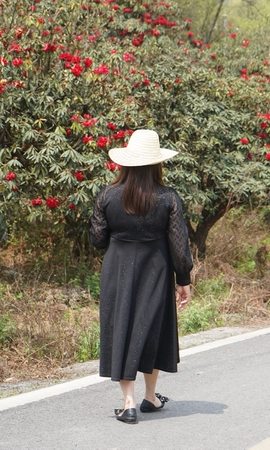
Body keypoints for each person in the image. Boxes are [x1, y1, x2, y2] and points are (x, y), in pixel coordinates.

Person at [90, 130, 193, 425]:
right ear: (156, 163)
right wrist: (183, 280)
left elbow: (98, 240)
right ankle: (151, 396)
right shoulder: (168, 197)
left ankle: (129, 403)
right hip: (157, 269)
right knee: (153, 330)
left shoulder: (107, 196)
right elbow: (178, 244)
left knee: (120, 326)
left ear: (127, 162)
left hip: (117, 269)